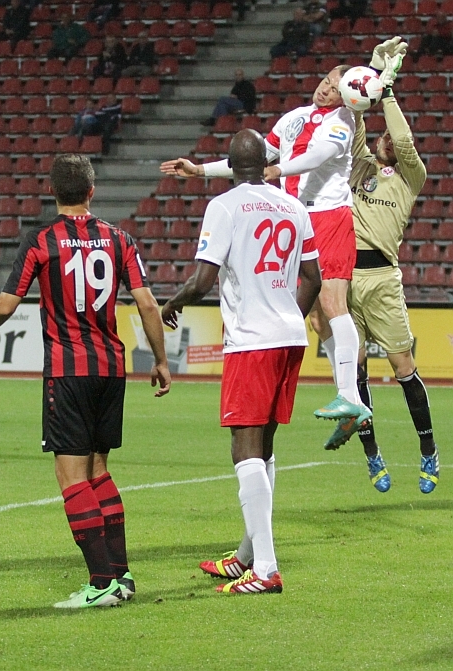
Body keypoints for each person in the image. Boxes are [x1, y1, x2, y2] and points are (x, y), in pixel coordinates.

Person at [161, 42, 406, 449]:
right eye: (325, 81)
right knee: (318, 321)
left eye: (335, 86)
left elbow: (316, 157)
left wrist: (277, 169)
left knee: (333, 303)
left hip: (328, 215)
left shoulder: (343, 121)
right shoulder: (295, 118)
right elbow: (253, 158)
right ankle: (350, 400)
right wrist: (200, 169)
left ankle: (350, 395)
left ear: (348, 95)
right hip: (297, 217)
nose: (325, 89)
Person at [0, 154, 171, 608]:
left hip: (68, 369)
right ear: (91, 191)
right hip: (111, 368)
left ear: (54, 193)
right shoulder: (120, 239)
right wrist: (160, 360)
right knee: (99, 470)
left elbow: (6, 304)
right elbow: (148, 304)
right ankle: (121, 574)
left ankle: (100, 583)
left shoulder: (42, 240)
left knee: (71, 475)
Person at [161, 129, 323, 595]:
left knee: (244, 448)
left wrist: (173, 302)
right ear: (266, 164)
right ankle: (248, 556)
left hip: (252, 341)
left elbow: (202, 280)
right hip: (289, 338)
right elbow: (313, 278)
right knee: (264, 446)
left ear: (231, 167)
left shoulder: (225, 206)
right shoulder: (293, 206)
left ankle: (267, 569)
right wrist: (286, 316)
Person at [340, 58, 438, 494]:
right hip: (346, 280)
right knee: (356, 369)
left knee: (403, 368)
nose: (388, 140)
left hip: (382, 280)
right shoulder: (361, 167)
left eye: (393, 140)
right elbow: (356, 130)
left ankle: (428, 450)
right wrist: (365, 92)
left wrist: (389, 91)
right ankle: (371, 454)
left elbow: (403, 139)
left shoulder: (411, 177)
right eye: (383, 137)